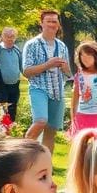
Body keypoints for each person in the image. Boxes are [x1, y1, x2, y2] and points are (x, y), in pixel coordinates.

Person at [22, 9, 71, 153]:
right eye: (48, 21)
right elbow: (26, 71)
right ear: (41, 23)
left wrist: (65, 68)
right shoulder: (32, 44)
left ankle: (46, 166)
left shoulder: (62, 46)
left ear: (58, 25)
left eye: (55, 21)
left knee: (51, 131)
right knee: (40, 121)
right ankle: (24, 154)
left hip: (58, 92)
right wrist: (48, 64)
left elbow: (68, 74)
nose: (52, 24)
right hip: (39, 89)